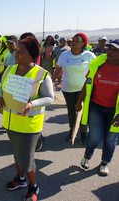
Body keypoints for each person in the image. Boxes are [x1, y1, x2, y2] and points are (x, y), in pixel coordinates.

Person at [0, 37, 53, 201]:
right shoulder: (10, 70)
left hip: (29, 126)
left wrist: (32, 104)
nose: (16, 54)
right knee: (17, 154)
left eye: (21, 52)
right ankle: (20, 180)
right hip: (10, 122)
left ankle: (33, 186)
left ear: (32, 54)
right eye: (16, 51)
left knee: (27, 160)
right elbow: (1, 87)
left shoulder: (42, 74)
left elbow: (49, 97)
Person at [75, 39, 119, 176]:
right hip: (96, 107)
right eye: (109, 49)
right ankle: (87, 156)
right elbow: (87, 83)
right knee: (94, 135)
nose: (109, 52)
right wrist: (79, 101)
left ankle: (104, 163)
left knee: (110, 139)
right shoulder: (98, 63)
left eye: (114, 50)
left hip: (115, 111)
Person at [52, 32, 96, 144]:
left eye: (77, 41)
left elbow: (96, 69)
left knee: (84, 111)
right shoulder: (64, 55)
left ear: (83, 44)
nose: (74, 43)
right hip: (68, 89)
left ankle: (83, 132)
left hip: (84, 89)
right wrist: (51, 81)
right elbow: (58, 69)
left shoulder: (89, 55)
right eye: (73, 40)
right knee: (71, 111)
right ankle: (72, 131)